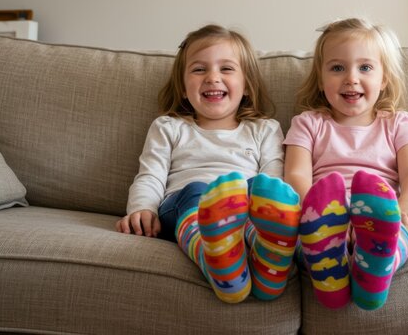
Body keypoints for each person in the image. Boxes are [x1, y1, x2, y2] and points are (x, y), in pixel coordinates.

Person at [115, 25, 301, 304]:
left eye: (226, 69)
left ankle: (266, 265)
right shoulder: (169, 127)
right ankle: (213, 257)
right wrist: (142, 208)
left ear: (247, 85)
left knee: (259, 189)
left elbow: (274, 177)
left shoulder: (264, 129)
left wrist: (268, 201)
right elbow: (150, 174)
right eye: (199, 70)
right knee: (197, 190)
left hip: (245, 210)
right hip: (186, 205)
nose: (213, 78)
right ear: (183, 86)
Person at [284, 18, 408, 311]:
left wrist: (407, 207)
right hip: (325, 215)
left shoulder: (399, 123)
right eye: (337, 68)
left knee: (396, 236)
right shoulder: (307, 123)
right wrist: (322, 213)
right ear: (320, 78)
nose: (351, 78)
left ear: (384, 79)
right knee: (304, 242)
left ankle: (375, 272)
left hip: (382, 213)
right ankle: (330, 274)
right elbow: (296, 174)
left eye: (365, 68)